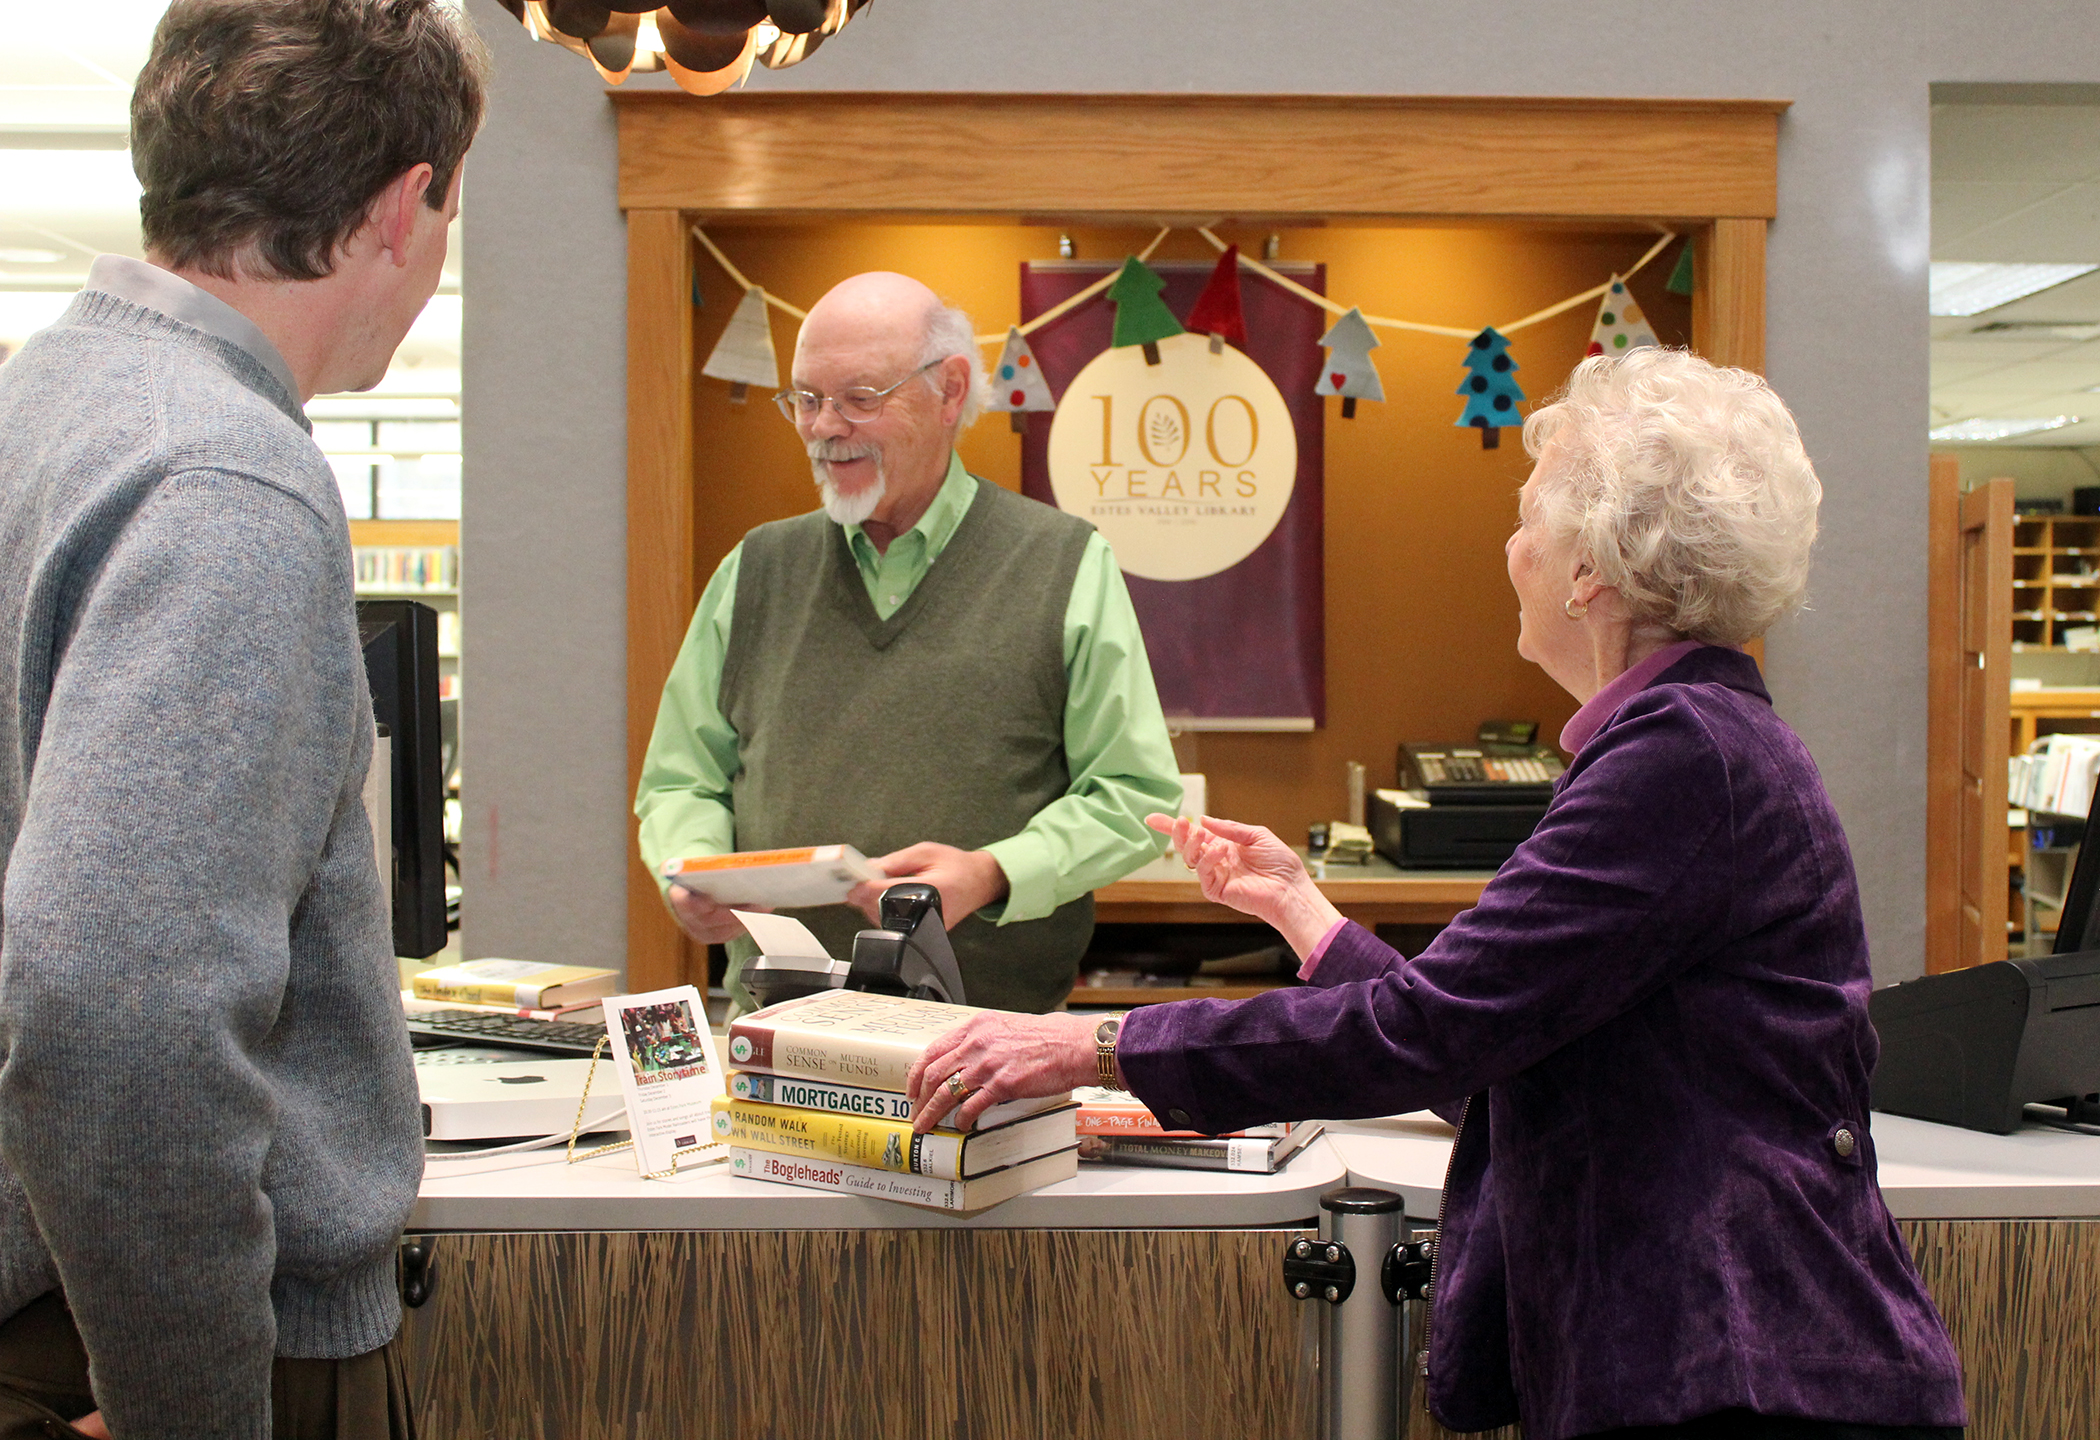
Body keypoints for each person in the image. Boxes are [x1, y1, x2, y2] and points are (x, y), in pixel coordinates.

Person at [905, 348, 1968, 1440]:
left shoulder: (1680, 761)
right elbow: (1517, 1042)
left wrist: (1096, 1049)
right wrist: (1304, 915)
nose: (1510, 549)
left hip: (1744, 1376)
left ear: (1592, 570)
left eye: (1527, 519)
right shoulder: (1697, 741)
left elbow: (1440, 1031)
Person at [0, 0, 486, 1438]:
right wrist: (186, 1409)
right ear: (407, 207)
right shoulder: (228, 482)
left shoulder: (45, 400)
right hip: (129, 1340)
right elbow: (113, 1008)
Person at [635, 272, 1183, 1014]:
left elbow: (1135, 796)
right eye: (805, 398)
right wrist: (692, 870)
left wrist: (992, 871)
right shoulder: (755, 569)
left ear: (950, 390)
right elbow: (681, 780)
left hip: (990, 1049)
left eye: (860, 398)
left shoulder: (1063, 563)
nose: (823, 427)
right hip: (777, 1035)